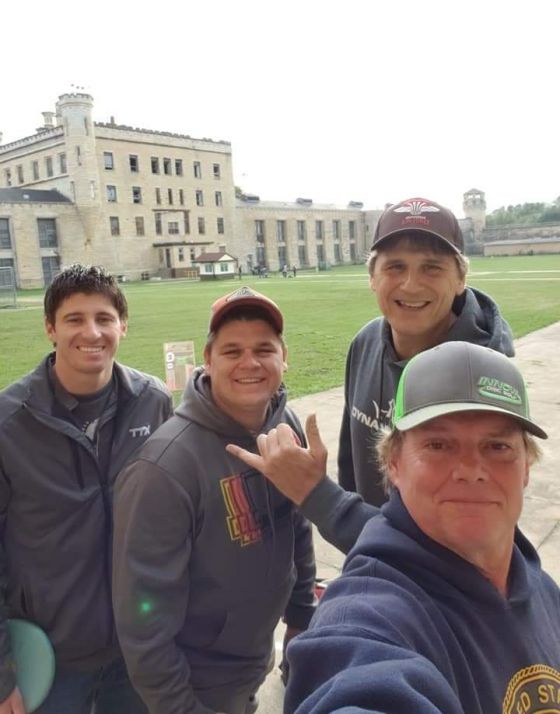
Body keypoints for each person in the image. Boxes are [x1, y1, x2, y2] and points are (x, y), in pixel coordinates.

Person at [284, 341, 560, 714]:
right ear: (393, 463)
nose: (471, 470)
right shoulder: (369, 618)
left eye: (497, 446)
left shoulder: (539, 586)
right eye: (438, 445)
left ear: (526, 466)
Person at [112, 286, 316, 714]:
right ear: (207, 360)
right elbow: (143, 622)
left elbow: (297, 523)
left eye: (264, 349)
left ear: (284, 357)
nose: (249, 363)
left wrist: (301, 614)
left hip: (251, 661)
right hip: (196, 686)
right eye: (232, 351)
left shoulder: (285, 425)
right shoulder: (164, 469)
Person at [0, 264, 173, 714]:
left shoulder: (153, 402)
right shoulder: (8, 423)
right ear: (50, 328)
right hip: (51, 656)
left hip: (138, 648)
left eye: (104, 318)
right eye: (74, 319)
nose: (91, 332)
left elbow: (176, 518)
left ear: (123, 326)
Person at [339, 197, 514, 506]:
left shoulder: (485, 377)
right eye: (395, 267)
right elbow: (350, 464)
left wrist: (322, 500)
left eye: (432, 268)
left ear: (461, 279)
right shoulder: (365, 343)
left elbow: (462, 520)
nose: (410, 285)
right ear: (372, 278)